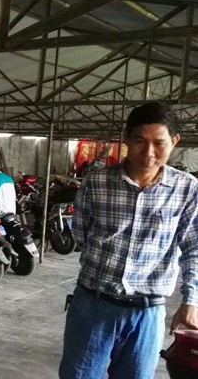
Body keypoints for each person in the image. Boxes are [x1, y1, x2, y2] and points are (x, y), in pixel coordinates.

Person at [59, 102, 198, 379]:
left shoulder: (187, 189)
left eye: (159, 143)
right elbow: (81, 234)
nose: (148, 153)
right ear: (126, 139)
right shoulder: (96, 182)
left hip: (147, 314)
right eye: (139, 141)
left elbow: (193, 249)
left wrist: (191, 301)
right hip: (92, 306)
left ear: (174, 142)